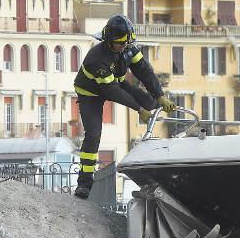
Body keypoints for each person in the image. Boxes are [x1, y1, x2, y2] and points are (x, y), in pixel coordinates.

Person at [73, 15, 176, 199]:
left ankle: (156, 153)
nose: (124, 47)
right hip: (91, 94)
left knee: (150, 102)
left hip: (115, 83)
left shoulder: (128, 48)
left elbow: (145, 72)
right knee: (94, 134)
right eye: (120, 44)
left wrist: (160, 97)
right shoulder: (97, 59)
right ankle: (84, 183)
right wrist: (139, 110)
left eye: (126, 44)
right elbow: (111, 92)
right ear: (109, 41)